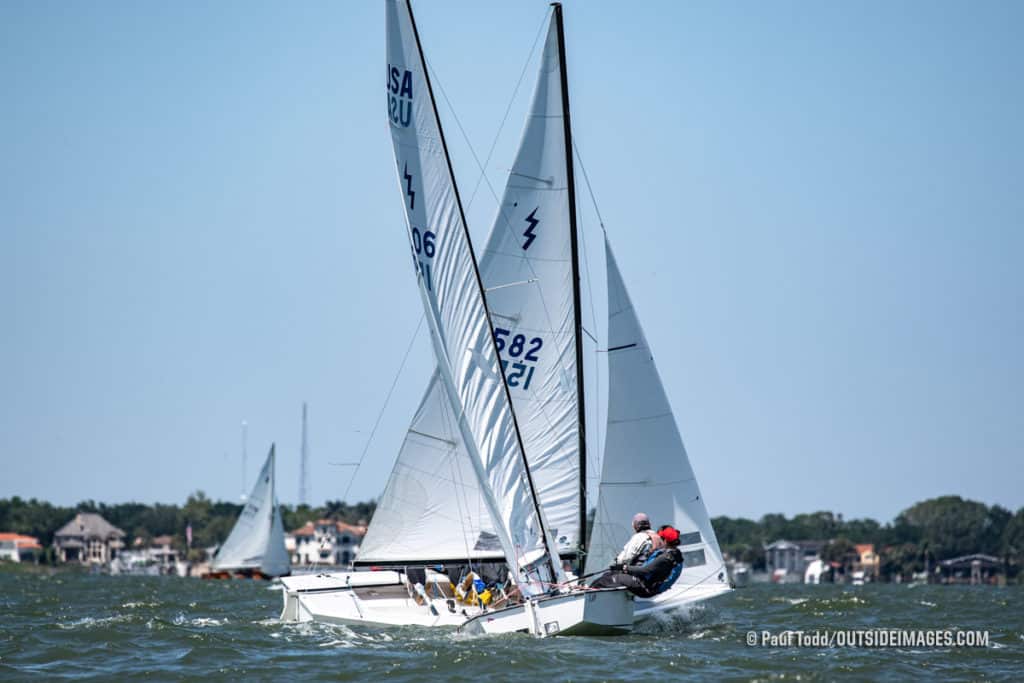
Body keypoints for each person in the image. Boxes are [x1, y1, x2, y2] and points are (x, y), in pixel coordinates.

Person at [593, 526, 685, 598]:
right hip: (647, 585)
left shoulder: (665, 558)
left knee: (608, 579)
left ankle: (590, 593)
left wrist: (624, 567)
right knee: (609, 574)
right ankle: (596, 591)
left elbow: (645, 570)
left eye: (660, 537)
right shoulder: (676, 554)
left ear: (665, 541)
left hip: (644, 588)